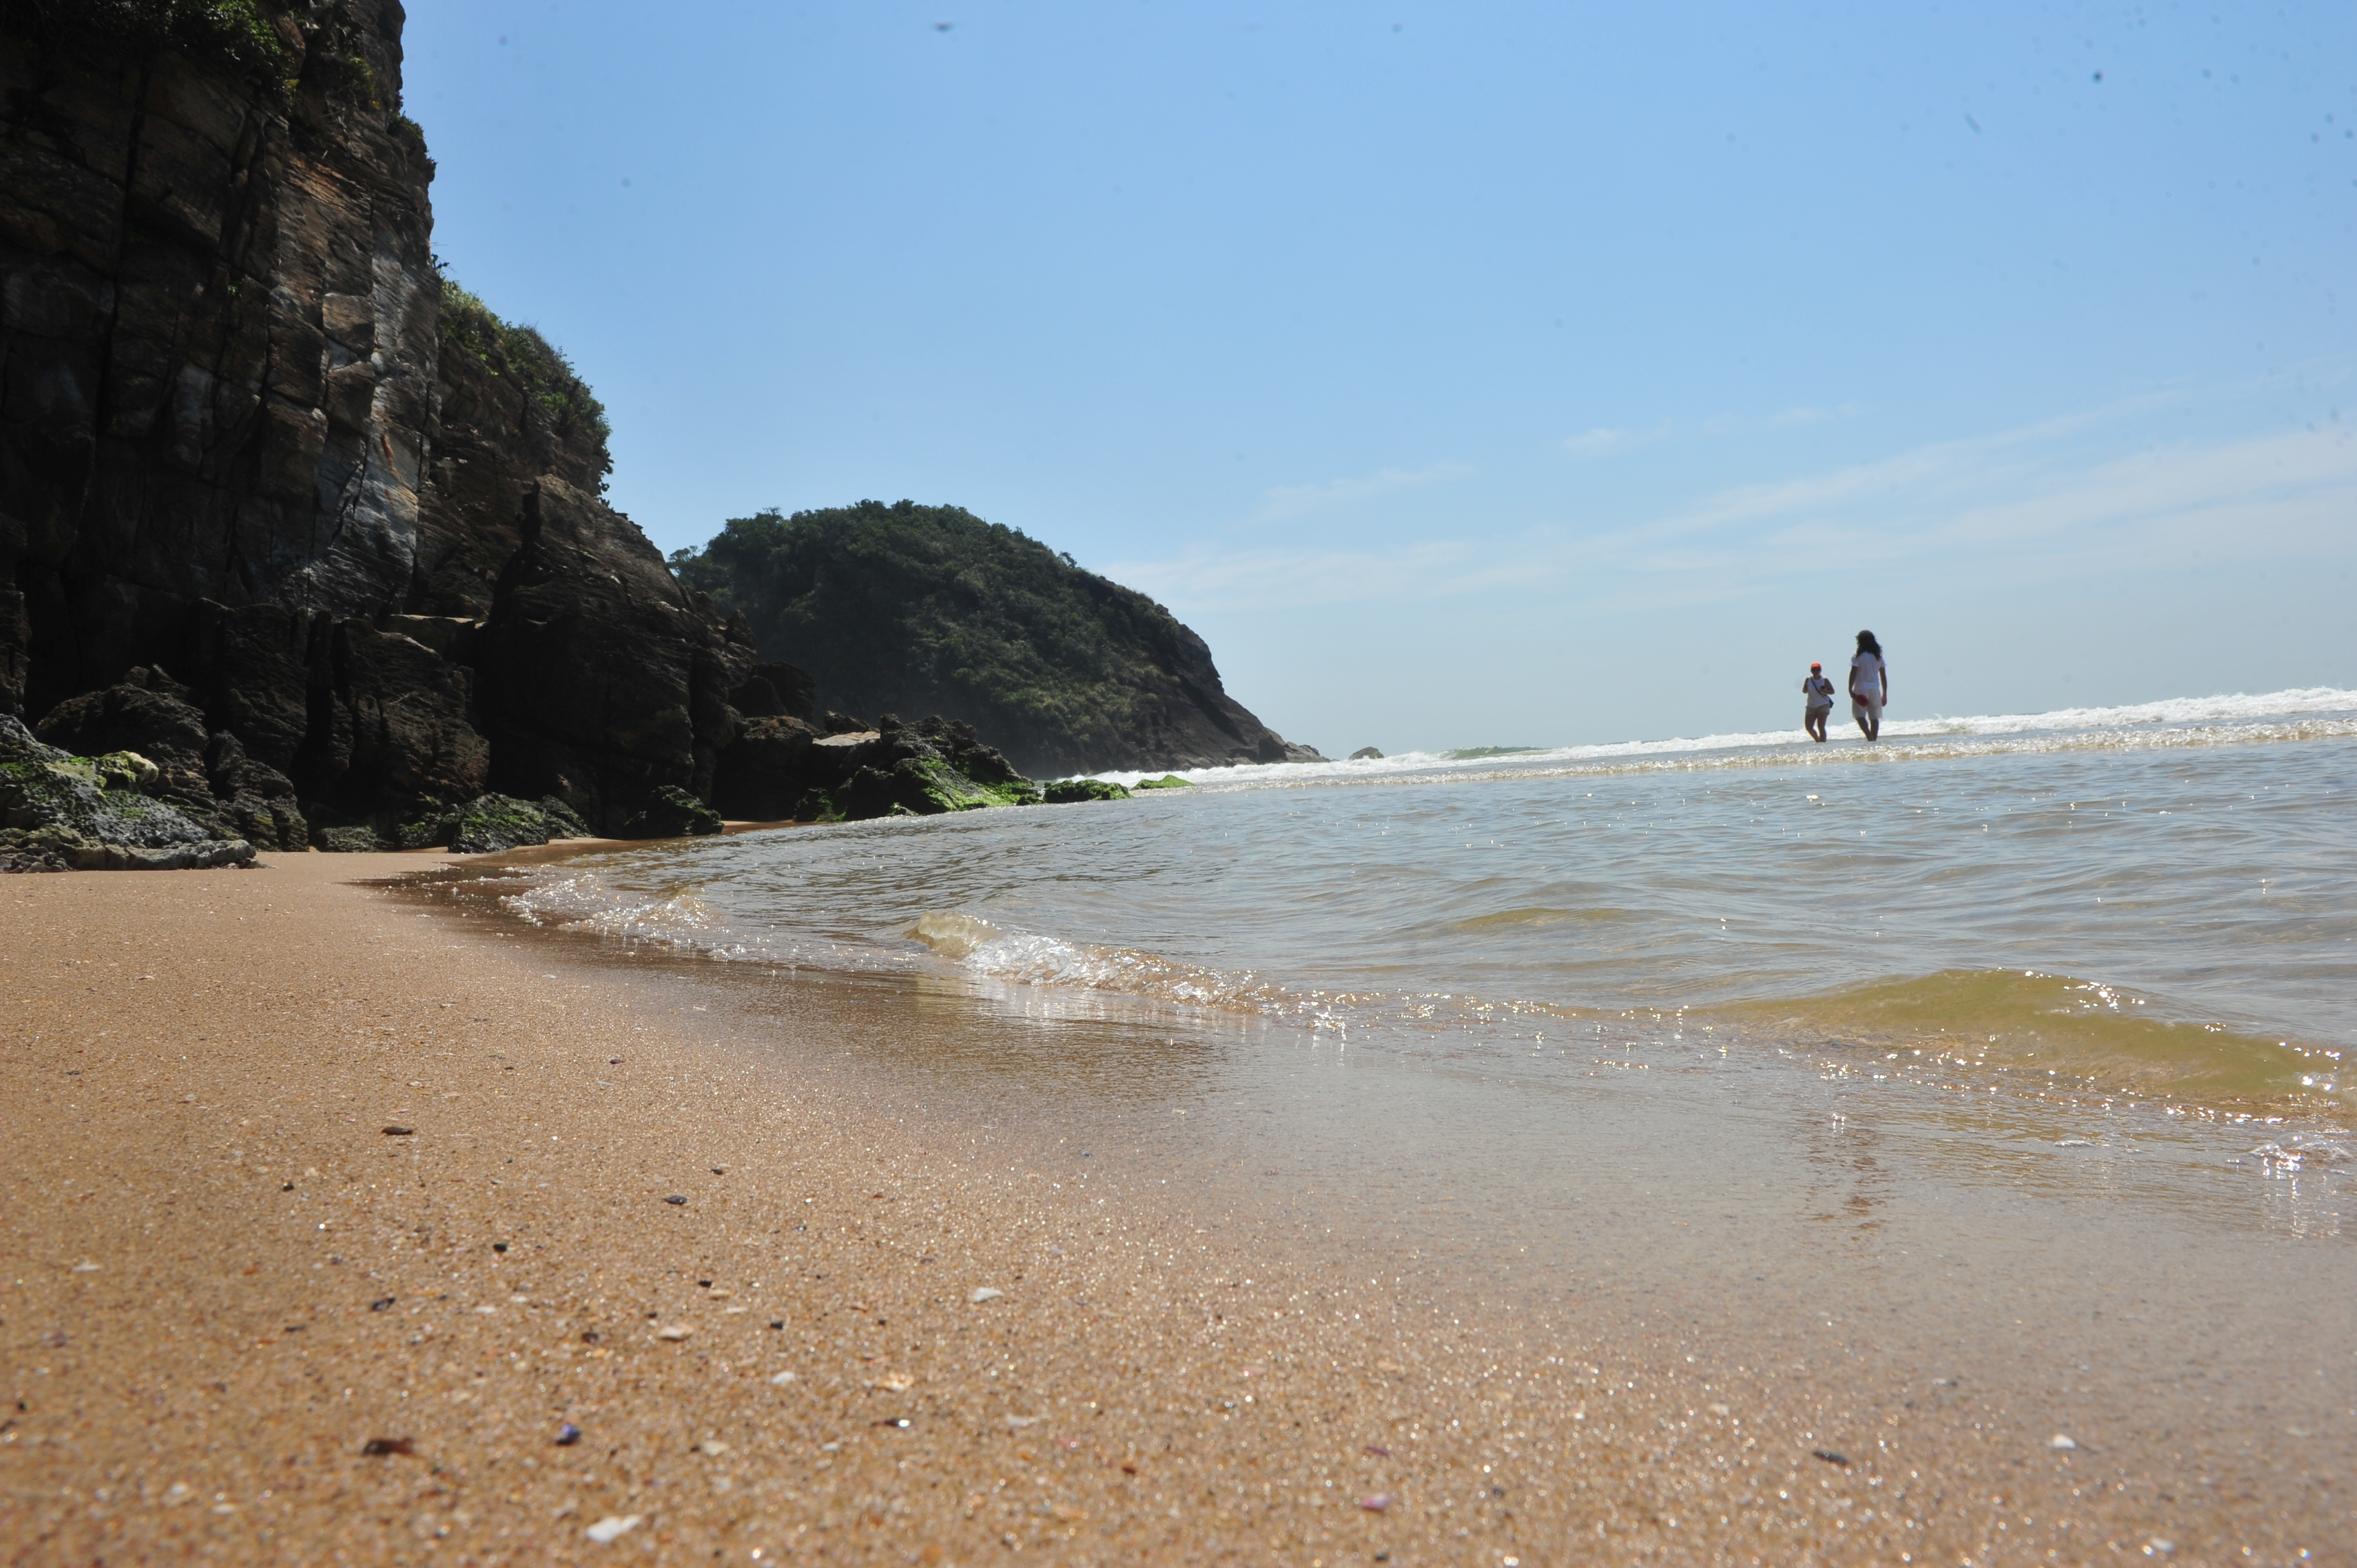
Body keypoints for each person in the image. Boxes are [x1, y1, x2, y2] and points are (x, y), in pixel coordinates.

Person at [1848, 630, 1888, 741]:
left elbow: (1854, 672)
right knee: (1875, 718)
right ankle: (1873, 741)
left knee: (1860, 716)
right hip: (1875, 688)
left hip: (1861, 688)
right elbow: (1883, 676)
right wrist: (1885, 693)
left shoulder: (1857, 655)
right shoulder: (1878, 656)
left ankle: (1870, 738)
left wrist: (1850, 688)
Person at [1801, 661, 1836, 742]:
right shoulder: (1808, 680)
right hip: (1811, 705)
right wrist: (1805, 689)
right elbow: (1804, 691)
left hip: (1823, 704)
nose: (1816, 671)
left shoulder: (1824, 680)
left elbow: (1833, 691)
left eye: (1818, 669)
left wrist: (1825, 691)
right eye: (1814, 670)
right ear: (1811, 671)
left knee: (1821, 726)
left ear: (1820, 670)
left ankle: (1823, 744)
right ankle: (1818, 741)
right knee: (1809, 727)